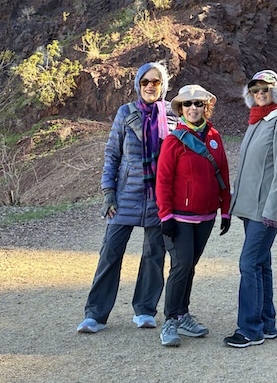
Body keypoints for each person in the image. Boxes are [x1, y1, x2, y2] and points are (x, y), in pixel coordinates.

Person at [77, 62, 171, 334]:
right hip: (126, 195)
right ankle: (95, 314)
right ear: (138, 85)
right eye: (145, 82)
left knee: (154, 254)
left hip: (159, 198)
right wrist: (108, 193)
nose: (150, 86)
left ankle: (145, 309)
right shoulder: (125, 113)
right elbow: (112, 155)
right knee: (110, 252)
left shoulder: (172, 116)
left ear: (163, 85)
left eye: (155, 81)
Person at [224, 69, 277, 348]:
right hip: (250, 208)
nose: (259, 94)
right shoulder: (257, 121)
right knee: (261, 263)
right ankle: (267, 324)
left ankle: (250, 329)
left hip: (265, 211)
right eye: (255, 90)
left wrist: (272, 210)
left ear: (276, 91)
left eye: (265, 89)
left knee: (248, 263)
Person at [156, 84, 231, 347]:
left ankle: (183, 313)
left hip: (206, 215)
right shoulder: (173, 141)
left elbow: (222, 173)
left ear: (205, 107)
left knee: (190, 266)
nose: (193, 108)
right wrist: (165, 216)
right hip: (179, 216)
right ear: (181, 109)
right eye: (188, 104)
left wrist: (226, 210)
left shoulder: (214, 137)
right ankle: (169, 320)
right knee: (181, 265)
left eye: (198, 103)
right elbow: (163, 181)